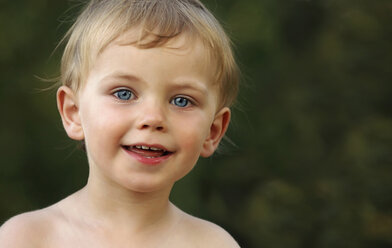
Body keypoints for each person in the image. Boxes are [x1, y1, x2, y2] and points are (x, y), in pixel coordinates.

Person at [0, 0, 240, 247]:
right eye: (124, 93)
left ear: (213, 131)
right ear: (73, 112)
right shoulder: (27, 238)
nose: (153, 118)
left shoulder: (214, 244)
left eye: (181, 100)